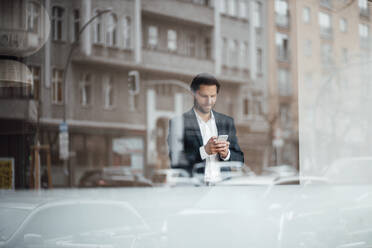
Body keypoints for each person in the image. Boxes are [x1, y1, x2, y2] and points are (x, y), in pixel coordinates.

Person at [167, 73, 244, 184]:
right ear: (194, 95)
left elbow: (239, 159)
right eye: (204, 96)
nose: (209, 101)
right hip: (194, 189)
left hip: (223, 188)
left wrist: (226, 153)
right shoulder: (179, 122)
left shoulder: (226, 122)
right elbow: (176, 160)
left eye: (213, 96)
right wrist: (204, 151)